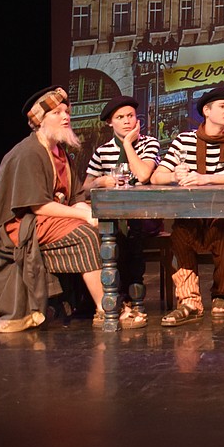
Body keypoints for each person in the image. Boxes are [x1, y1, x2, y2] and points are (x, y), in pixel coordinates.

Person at [0, 86, 108, 333]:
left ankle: (94, 302)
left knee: (105, 227)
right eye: (57, 112)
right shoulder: (28, 153)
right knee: (86, 235)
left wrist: (92, 212)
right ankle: (106, 308)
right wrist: (83, 215)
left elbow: (74, 198)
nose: (66, 117)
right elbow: (37, 204)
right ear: (40, 120)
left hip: (45, 218)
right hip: (21, 225)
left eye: (67, 111)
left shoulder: (60, 152)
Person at [150, 86, 224, 326]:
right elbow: (156, 177)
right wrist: (174, 175)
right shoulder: (185, 140)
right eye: (223, 107)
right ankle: (189, 300)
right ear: (206, 110)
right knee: (180, 235)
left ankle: (221, 295)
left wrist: (207, 178)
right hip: (191, 214)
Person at [83, 95, 162, 327]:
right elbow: (86, 187)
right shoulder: (102, 151)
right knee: (110, 234)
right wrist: (101, 181)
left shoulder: (149, 143)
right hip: (115, 216)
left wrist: (128, 143)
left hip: (143, 216)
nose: (127, 121)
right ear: (110, 122)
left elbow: (144, 175)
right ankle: (116, 299)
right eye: (120, 117)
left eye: (130, 116)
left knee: (133, 230)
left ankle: (134, 300)